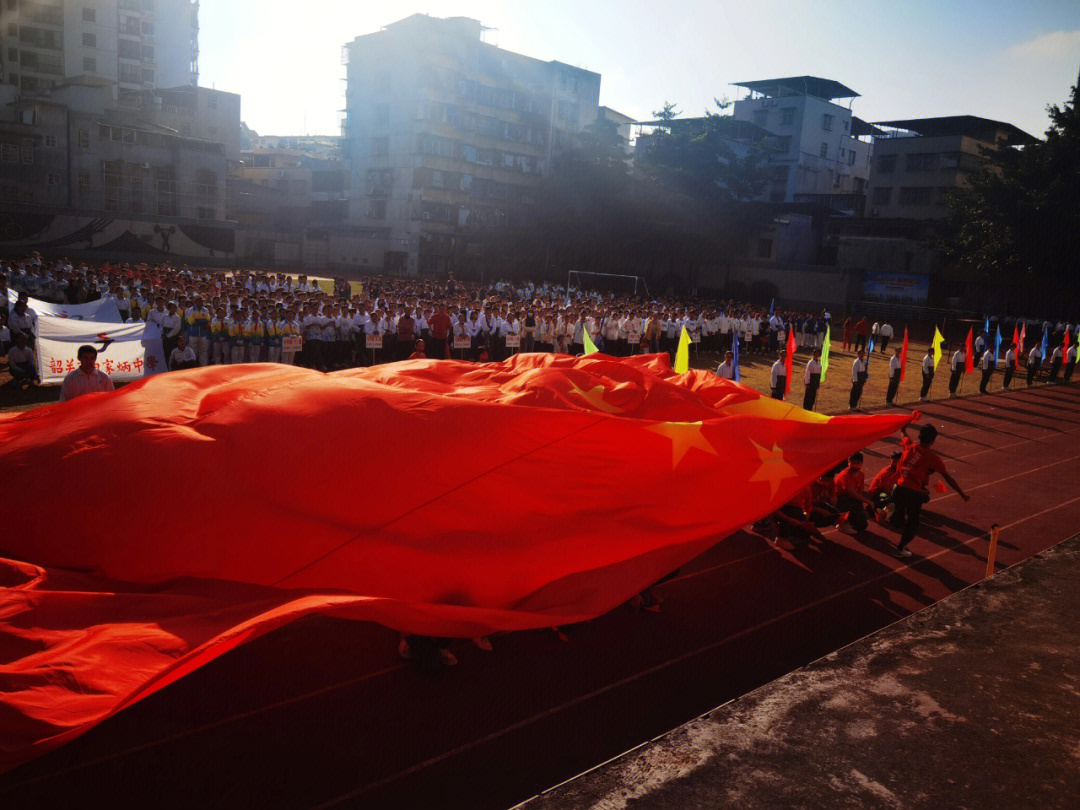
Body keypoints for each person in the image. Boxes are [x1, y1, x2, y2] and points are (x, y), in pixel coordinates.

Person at [890, 424, 969, 558]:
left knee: (900, 514)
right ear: (933, 441)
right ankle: (900, 548)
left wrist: (906, 425)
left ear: (919, 437)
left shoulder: (910, 446)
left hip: (898, 489)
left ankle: (894, 514)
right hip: (912, 493)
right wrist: (962, 494)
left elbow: (903, 433)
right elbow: (948, 478)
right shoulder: (933, 458)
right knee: (913, 522)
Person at [834, 452, 873, 535]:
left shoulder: (861, 474)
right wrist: (868, 502)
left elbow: (859, 492)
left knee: (862, 525)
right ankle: (842, 523)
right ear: (848, 462)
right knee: (851, 501)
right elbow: (852, 493)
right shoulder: (844, 475)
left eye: (857, 463)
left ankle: (851, 518)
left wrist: (861, 508)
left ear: (861, 464)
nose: (855, 465)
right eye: (853, 463)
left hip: (852, 500)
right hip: (840, 500)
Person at [869, 451, 903, 520]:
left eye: (898, 462)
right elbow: (885, 489)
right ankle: (873, 506)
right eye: (894, 461)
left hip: (888, 491)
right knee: (890, 499)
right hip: (877, 493)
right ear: (890, 460)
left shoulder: (899, 470)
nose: (896, 464)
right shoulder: (886, 472)